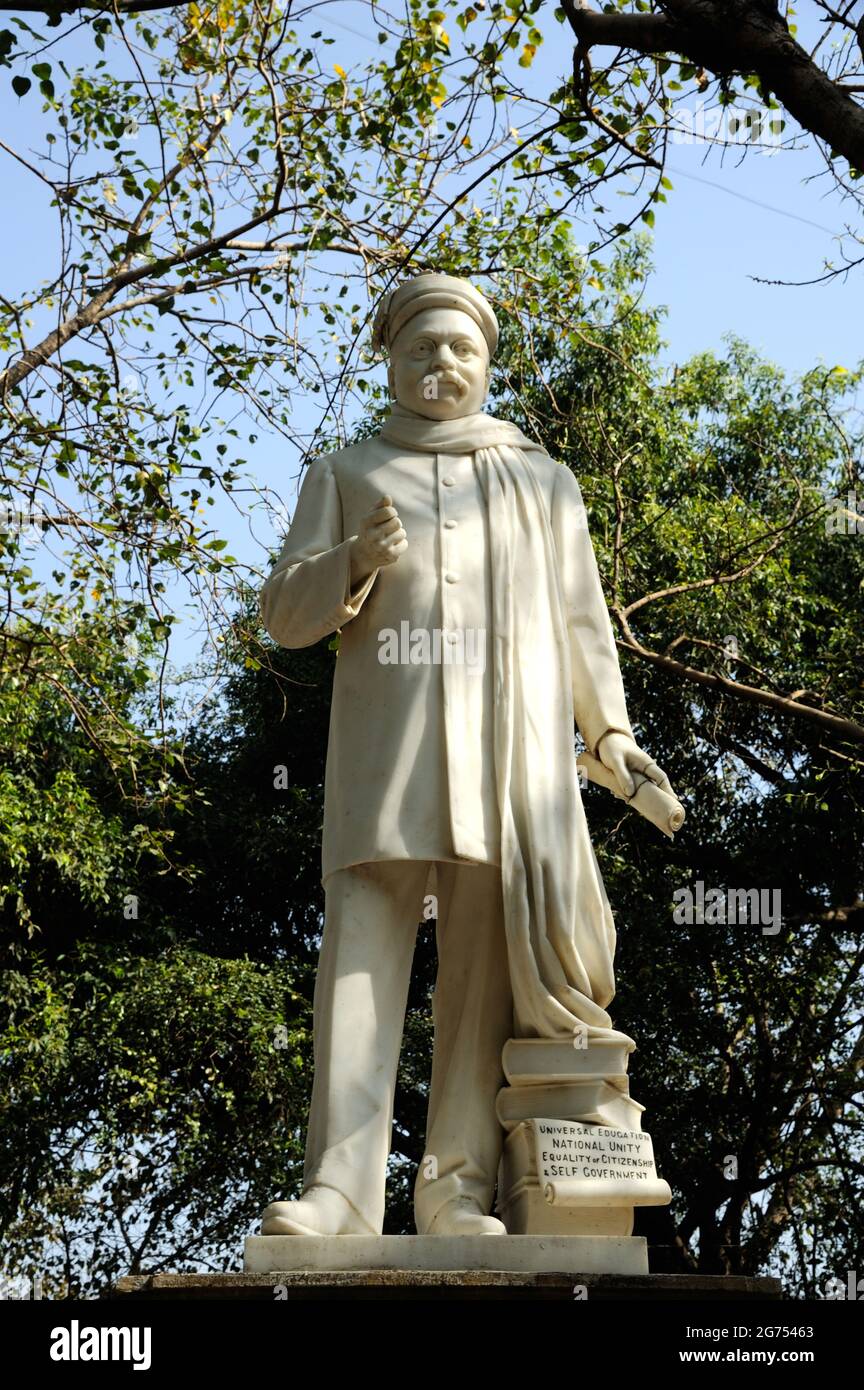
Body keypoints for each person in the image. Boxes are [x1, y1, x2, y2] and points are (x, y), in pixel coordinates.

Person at [258, 273, 673, 1237]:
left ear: (487, 363)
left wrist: (609, 734)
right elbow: (285, 619)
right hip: (382, 759)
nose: (444, 363)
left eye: (463, 349)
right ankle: (340, 1190)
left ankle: (456, 1189)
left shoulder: (541, 479)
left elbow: (581, 625)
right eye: (423, 349)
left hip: (510, 762)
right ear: (391, 360)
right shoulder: (347, 471)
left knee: (481, 981)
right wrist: (351, 561)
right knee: (359, 967)